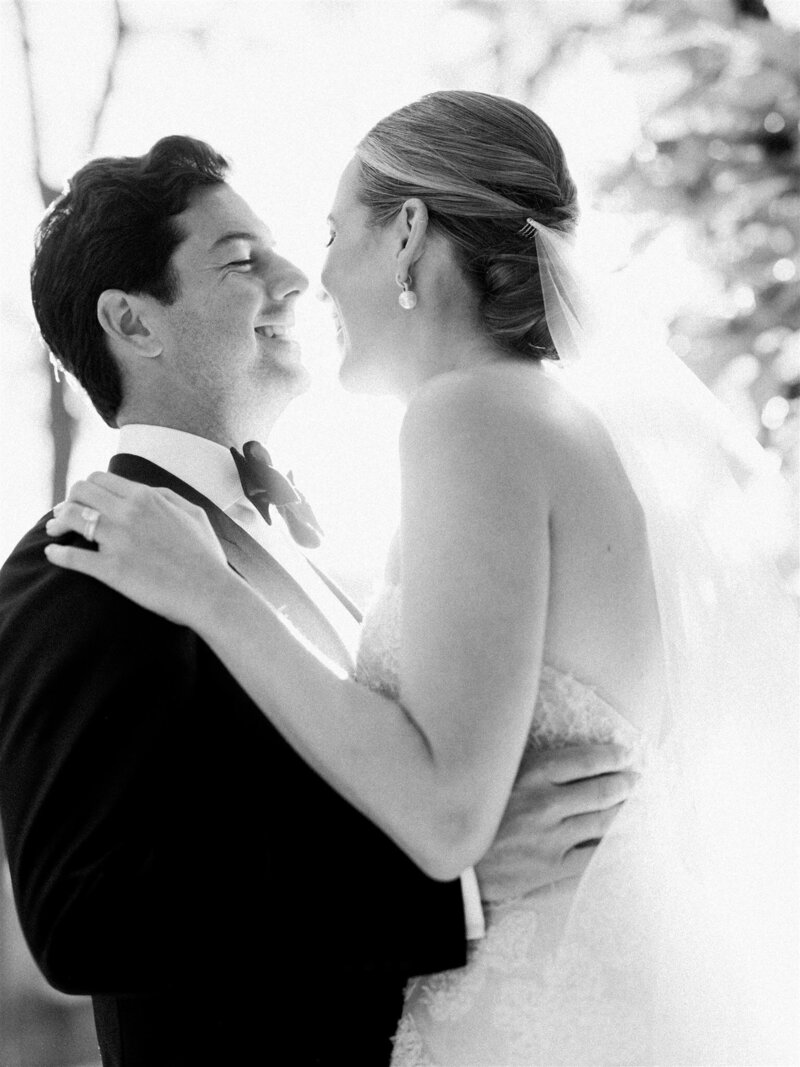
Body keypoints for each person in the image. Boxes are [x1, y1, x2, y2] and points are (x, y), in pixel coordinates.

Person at [45, 91, 799, 1065]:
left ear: (406, 231)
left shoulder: (468, 417)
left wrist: (211, 591)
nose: (310, 276)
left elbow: (444, 813)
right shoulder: (556, 423)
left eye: (329, 231)